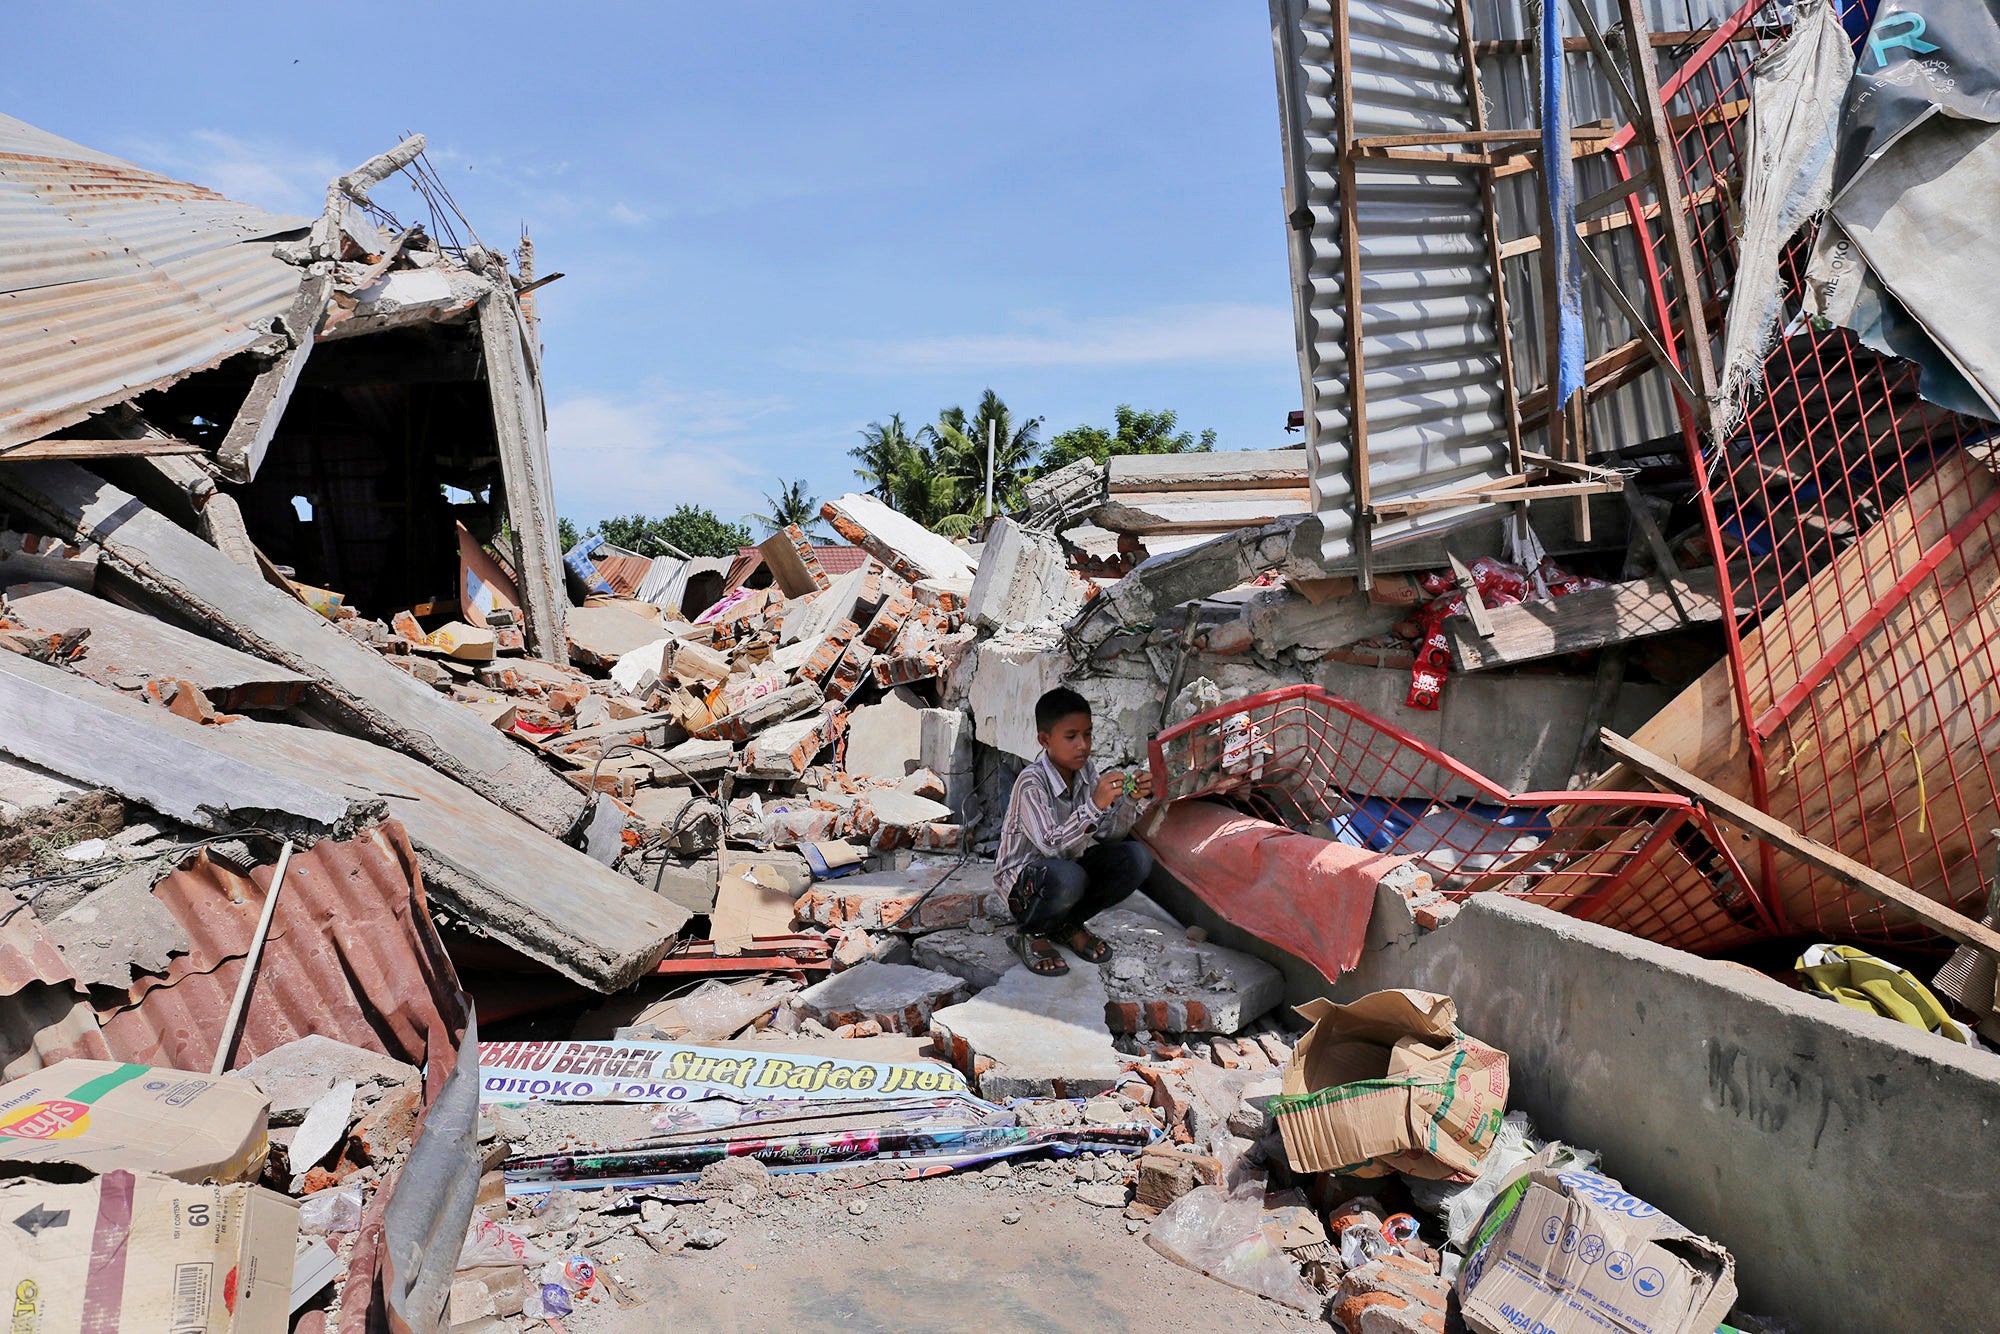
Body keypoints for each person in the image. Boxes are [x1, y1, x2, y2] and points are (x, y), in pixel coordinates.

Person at [994, 686, 1155, 976]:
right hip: (1026, 885)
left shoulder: (1086, 772)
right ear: (1045, 740)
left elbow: (1107, 835)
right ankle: (1031, 933)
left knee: (1136, 858)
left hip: (1068, 872)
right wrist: (1095, 805)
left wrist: (1131, 799)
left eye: (1088, 734)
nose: (1083, 745)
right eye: (1071, 737)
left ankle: (1066, 925)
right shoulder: (1031, 783)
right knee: (1068, 876)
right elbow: (1053, 847)